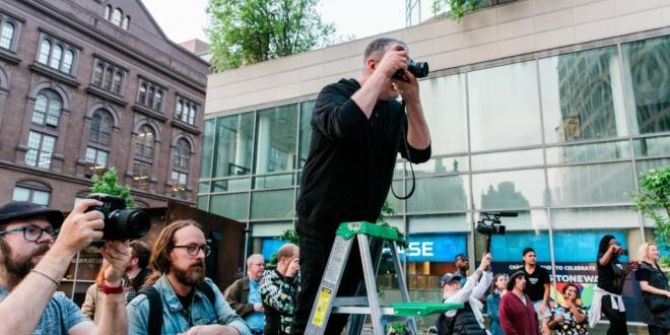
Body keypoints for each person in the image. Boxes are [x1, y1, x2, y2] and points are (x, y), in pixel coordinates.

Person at [292, 36, 432, 334]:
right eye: (394, 70)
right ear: (372, 64)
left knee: (339, 315)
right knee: (313, 313)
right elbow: (345, 125)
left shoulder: (394, 111)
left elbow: (420, 151)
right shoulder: (334, 94)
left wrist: (413, 100)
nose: (396, 80)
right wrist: (383, 73)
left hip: (360, 229)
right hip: (322, 223)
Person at [0, 200, 130, 334]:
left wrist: (113, 283)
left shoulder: (58, 303)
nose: (47, 238)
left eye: (49, 231)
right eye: (31, 230)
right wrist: (64, 247)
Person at [126, 219, 250, 335]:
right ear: (168, 253)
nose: (201, 255)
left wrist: (224, 331)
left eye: (203, 248)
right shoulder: (140, 309)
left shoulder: (207, 288)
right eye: (191, 248)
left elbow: (242, 326)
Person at [588, 235, 637, 334]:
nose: (616, 245)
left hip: (616, 296)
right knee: (616, 322)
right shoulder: (602, 256)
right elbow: (602, 262)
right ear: (606, 246)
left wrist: (630, 267)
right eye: (613, 244)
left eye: (617, 244)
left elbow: (620, 275)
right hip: (605, 296)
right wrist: (611, 249)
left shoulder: (616, 260)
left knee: (622, 326)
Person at [435, 252, 492, 335]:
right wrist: (481, 267)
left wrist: (486, 269)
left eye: (457, 282)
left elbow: (481, 288)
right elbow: (466, 290)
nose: (455, 285)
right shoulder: (449, 302)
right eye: (450, 283)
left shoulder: (467, 298)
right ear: (443, 288)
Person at [260, 243, 300, 335]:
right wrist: (289, 276)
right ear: (283, 260)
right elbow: (283, 306)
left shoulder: (297, 279)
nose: (299, 264)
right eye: (297, 261)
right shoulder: (267, 280)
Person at [225, 253, 266, 335]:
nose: (262, 267)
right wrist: (252, 307)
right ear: (250, 266)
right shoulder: (239, 284)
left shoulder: (266, 284)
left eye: (263, 265)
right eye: (259, 265)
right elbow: (227, 306)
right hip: (246, 332)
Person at [636, 242, 670, 335]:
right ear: (646, 252)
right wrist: (665, 292)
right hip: (654, 309)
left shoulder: (657, 267)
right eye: (653, 250)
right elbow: (644, 286)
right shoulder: (643, 267)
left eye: (657, 249)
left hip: (664, 308)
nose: (657, 252)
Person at [520, 247, 551, 333]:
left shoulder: (542, 271)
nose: (533, 258)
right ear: (524, 258)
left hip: (540, 301)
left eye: (534, 256)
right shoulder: (519, 272)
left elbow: (547, 288)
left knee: (546, 325)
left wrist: (544, 304)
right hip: (524, 303)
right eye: (530, 256)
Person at [499, 270, 540, 335]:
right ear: (512, 281)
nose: (524, 281)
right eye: (520, 278)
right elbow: (505, 323)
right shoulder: (506, 299)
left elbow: (535, 321)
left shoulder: (527, 298)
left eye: (524, 278)